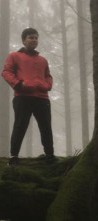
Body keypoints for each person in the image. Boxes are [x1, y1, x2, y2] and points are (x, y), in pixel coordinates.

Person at [1, 27, 55, 166]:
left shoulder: (43, 60)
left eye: (36, 38)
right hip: (22, 96)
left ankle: (50, 155)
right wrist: (19, 84)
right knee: (20, 125)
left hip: (42, 98)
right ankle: (14, 157)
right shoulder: (14, 56)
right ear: (24, 40)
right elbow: (6, 72)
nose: (34, 40)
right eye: (31, 37)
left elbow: (48, 76)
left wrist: (47, 86)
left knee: (46, 126)